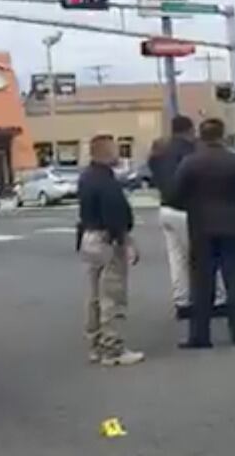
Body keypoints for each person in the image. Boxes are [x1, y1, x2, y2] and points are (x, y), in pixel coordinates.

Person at [171, 118, 235, 349]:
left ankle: (200, 335)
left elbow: (174, 194)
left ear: (200, 136)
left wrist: (192, 206)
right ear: (223, 135)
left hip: (202, 227)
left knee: (202, 283)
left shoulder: (190, 162)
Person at [148, 116, 226, 319]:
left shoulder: (158, 152)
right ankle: (217, 300)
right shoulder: (193, 152)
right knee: (204, 257)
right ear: (190, 130)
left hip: (166, 208)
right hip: (188, 210)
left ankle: (182, 302)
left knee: (177, 259)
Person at [77, 134, 145, 367]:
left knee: (94, 297)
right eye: (115, 150)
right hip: (107, 240)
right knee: (112, 296)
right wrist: (126, 241)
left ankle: (95, 344)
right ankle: (113, 348)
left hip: (89, 237)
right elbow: (115, 215)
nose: (118, 154)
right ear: (106, 153)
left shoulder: (86, 177)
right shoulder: (107, 181)